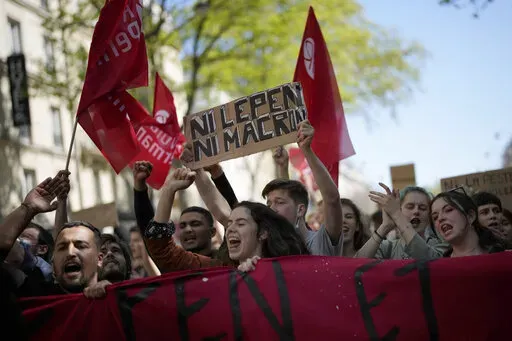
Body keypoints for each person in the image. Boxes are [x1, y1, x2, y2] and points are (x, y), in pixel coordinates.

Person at [187, 120, 343, 256]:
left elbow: (332, 199)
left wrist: (306, 150)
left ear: (301, 210)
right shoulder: (265, 242)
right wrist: (197, 169)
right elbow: (223, 213)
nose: (271, 208)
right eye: (268, 204)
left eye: (279, 203)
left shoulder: (321, 241)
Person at [143, 167, 309, 273]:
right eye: (229, 224)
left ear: (263, 233)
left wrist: (263, 273)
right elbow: (163, 252)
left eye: (241, 223)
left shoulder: (292, 267)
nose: (230, 229)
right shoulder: (219, 271)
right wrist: (169, 190)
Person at [356, 184, 449, 260]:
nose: (416, 211)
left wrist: (396, 214)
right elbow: (357, 263)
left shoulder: (441, 244)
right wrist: (385, 226)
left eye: (422, 208)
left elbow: (429, 261)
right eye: (410, 207)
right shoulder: (388, 247)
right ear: (400, 210)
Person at [431, 189, 505, 257]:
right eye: (435, 217)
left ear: (470, 216)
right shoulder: (441, 268)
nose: (440, 218)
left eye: (448, 210)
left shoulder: (504, 256)